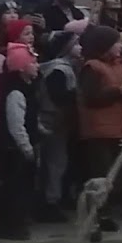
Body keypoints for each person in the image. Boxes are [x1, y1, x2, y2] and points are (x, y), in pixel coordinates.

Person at [77, 25, 122, 240]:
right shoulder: (92, 68)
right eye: (116, 42)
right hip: (98, 130)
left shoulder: (117, 65)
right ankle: (97, 215)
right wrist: (118, 91)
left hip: (116, 127)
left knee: (113, 175)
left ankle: (106, 212)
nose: (120, 46)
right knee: (100, 175)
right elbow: (91, 98)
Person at [34, 30, 80, 222]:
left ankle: (51, 198)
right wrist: (75, 96)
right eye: (76, 44)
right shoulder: (59, 70)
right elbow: (58, 97)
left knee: (54, 162)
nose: (80, 47)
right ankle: (49, 202)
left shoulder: (67, 67)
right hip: (53, 121)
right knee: (55, 162)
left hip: (57, 120)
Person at [0, 43, 41, 240]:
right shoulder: (16, 93)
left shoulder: (28, 89)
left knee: (25, 187)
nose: (37, 65)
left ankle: (21, 220)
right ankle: (12, 225)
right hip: (14, 150)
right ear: (22, 68)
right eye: (33, 62)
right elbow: (16, 125)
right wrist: (26, 148)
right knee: (15, 188)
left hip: (25, 146)